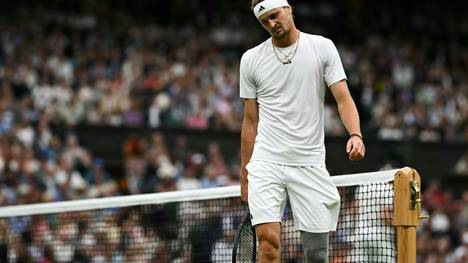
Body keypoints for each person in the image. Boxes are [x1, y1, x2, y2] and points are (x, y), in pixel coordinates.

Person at [239, 0, 366, 262]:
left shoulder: (322, 47)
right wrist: (245, 176)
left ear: (288, 8)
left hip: (309, 163)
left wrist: (356, 134)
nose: (272, 24)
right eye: (265, 22)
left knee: (317, 254)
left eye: (274, 16)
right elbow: (250, 122)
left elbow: (343, 98)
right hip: (266, 162)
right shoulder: (251, 60)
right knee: (268, 245)